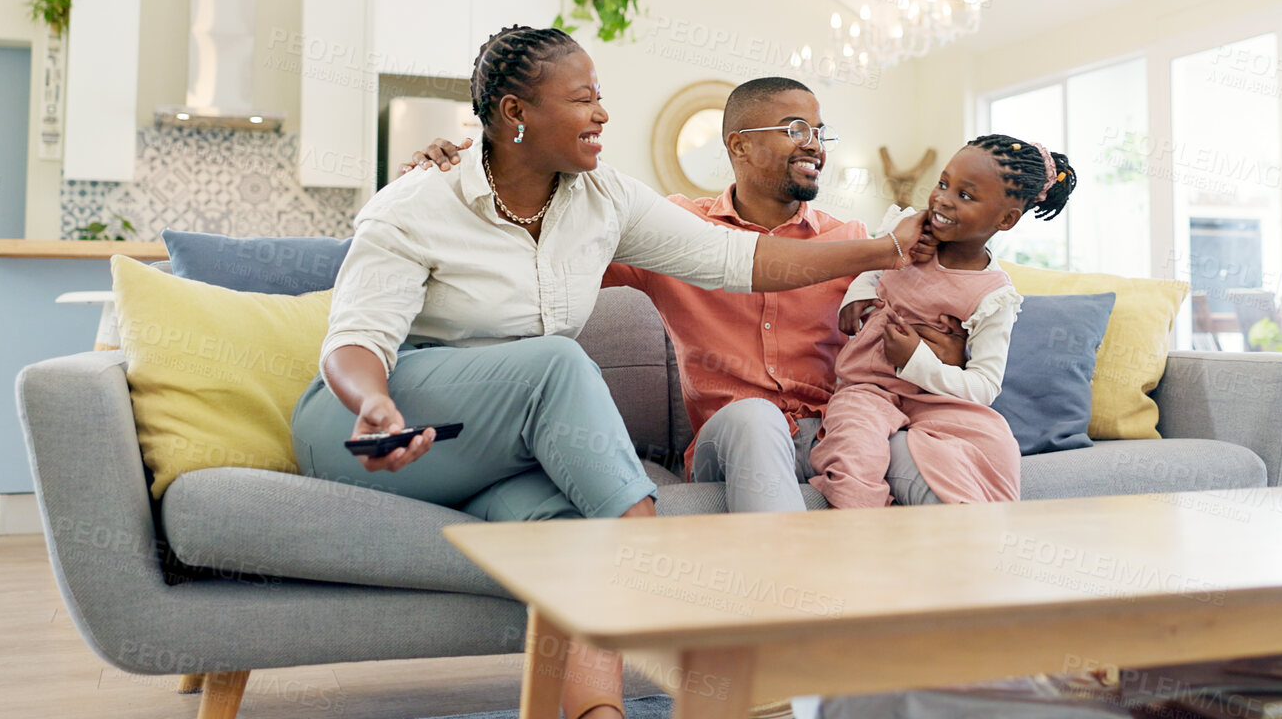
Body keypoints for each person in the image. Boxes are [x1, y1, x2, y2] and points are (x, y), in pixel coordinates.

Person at [296, 27, 933, 719]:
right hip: (379, 427)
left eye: (600, 97)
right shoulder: (417, 201)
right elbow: (355, 339)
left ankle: (597, 711)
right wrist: (374, 404)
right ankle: (656, 553)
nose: (602, 113)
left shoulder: (603, 201)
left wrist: (886, 248)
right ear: (515, 113)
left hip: (500, 449)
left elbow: (742, 261)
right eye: (583, 99)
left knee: (577, 528)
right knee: (560, 364)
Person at [403, 77, 966, 514]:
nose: (815, 145)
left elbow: (933, 323)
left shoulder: (851, 243)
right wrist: (448, 189)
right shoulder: (674, 231)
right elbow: (546, 251)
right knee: (754, 417)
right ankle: (788, 627)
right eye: (797, 129)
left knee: (919, 453)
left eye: (820, 132)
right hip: (733, 437)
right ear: (740, 147)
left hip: (836, 430)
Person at [809, 136, 1078, 509]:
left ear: (1006, 219)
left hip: (938, 399)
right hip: (868, 385)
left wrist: (915, 359)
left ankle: (964, 539)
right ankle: (863, 534)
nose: (943, 199)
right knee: (853, 449)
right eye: (943, 183)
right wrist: (858, 295)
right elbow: (875, 268)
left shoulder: (992, 295)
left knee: (994, 440)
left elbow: (984, 387)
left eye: (965, 196)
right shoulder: (909, 229)